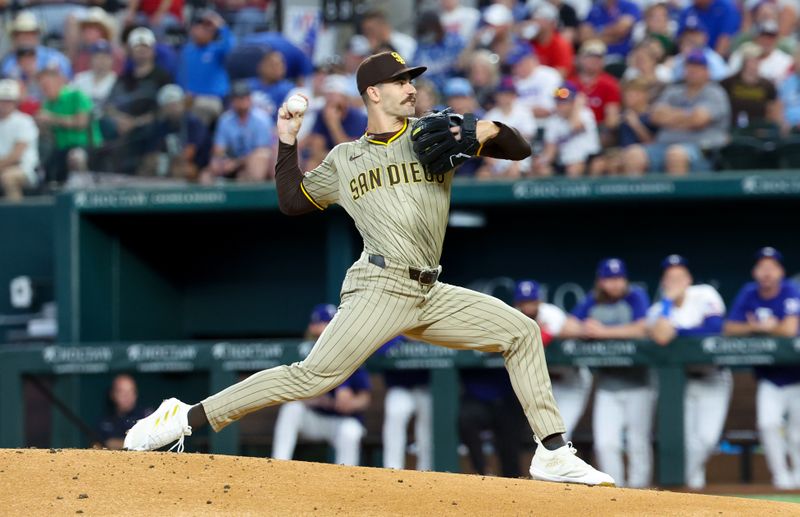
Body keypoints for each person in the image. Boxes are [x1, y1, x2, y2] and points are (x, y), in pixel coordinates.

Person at [123, 50, 614, 487]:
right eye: (401, 81)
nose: (411, 87)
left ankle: (552, 452)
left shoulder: (431, 133)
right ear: (373, 92)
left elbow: (519, 148)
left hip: (430, 289)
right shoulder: (344, 158)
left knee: (522, 331)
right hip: (379, 285)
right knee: (310, 377)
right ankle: (185, 417)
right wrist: (287, 142)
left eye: (412, 79)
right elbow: (293, 202)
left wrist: (478, 129)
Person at [561, 258, 653, 487]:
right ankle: (616, 493)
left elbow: (643, 329)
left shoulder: (635, 296)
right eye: (609, 279)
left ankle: (639, 493)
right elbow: (566, 327)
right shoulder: (592, 300)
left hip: (639, 382)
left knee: (637, 443)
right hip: (607, 382)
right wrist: (584, 329)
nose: (614, 284)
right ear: (601, 281)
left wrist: (603, 332)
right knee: (605, 443)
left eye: (618, 278)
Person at [646, 254, 730, 490]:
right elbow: (662, 336)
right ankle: (692, 491)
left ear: (689, 279)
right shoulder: (658, 308)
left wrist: (679, 332)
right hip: (681, 382)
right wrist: (667, 304)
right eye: (669, 277)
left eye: (679, 276)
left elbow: (714, 329)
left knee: (706, 440)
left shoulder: (705, 294)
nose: (675, 281)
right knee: (687, 442)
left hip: (713, 378)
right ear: (663, 281)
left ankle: (681, 489)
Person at [724, 247, 800, 490]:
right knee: (768, 424)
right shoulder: (749, 292)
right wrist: (759, 328)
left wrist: (762, 327)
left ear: (780, 271)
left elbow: (790, 329)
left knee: (797, 433)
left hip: (797, 375)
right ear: (755, 271)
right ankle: (781, 477)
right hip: (770, 376)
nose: (767, 273)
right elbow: (730, 328)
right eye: (762, 267)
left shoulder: (790, 289)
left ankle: (798, 475)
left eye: (772, 267)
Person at [272, 304, 372, 467]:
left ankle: (346, 480)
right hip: (314, 419)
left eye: (332, 323)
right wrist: (317, 399)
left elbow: (365, 397)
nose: (328, 328)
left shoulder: (352, 351)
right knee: (291, 409)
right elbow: (291, 392)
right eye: (324, 323)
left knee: (351, 432)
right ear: (313, 327)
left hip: (342, 421)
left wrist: (352, 403)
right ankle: (278, 465)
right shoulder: (304, 354)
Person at [622, 50, 730, 175]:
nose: (692, 71)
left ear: (707, 71)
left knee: (675, 154)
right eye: (689, 66)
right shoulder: (673, 91)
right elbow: (655, 116)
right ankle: (635, 195)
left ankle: (678, 195)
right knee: (633, 154)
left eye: (697, 67)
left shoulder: (714, 92)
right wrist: (687, 117)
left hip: (701, 149)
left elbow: (698, 120)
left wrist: (671, 117)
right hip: (663, 145)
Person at [515, 280, 591, 440]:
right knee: (544, 437)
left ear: (539, 301)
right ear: (517, 303)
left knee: (560, 436)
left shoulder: (551, 313)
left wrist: (527, 334)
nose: (528, 307)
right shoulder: (514, 315)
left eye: (532, 302)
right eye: (524, 302)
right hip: (544, 385)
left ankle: (564, 465)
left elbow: (540, 341)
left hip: (571, 381)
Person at [105, 27, 172, 175]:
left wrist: (135, 122)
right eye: (137, 47)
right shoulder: (123, 78)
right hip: (123, 129)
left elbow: (165, 109)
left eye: (145, 47)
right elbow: (109, 106)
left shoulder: (162, 77)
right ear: (130, 51)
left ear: (153, 50)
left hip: (150, 129)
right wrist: (121, 119)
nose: (141, 51)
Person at [37, 66, 101, 184]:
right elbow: (49, 134)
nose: (44, 88)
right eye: (42, 86)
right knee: (44, 164)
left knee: (75, 157)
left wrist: (52, 118)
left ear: (59, 81)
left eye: (47, 84)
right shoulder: (47, 104)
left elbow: (81, 122)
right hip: (61, 148)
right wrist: (42, 126)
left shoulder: (77, 95)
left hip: (86, 145)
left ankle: (85, 189)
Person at [459, 366, 526, 477]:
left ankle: (512, 479)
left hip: (507, 394)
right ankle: (481, 472)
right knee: (466, 419)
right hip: (475, 394)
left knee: (510, 445)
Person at [202, 81, 274, 183]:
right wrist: (223, 161)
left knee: (258, 159)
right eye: (238, 98)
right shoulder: (225, 120)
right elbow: (219, 149)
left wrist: (236, 163)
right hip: (232, 160)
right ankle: (214, 197)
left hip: (255, 161)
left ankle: (258, 196)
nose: (241, 102)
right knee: (207, 173)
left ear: (250, 99)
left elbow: (262, 149)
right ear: (232, 101)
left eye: (244, 98)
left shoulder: (261, 119)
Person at [379, 336, 432, 471]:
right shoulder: (393, 333)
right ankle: (392, 469)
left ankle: (427, 469)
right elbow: (380, 352)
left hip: (426, 387)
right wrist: (404, 340)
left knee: (430, 417)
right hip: (400, 387)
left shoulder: (431, 332)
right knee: (396, 413)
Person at [139, 84, 209, 179]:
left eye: (176, 104)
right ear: (163, 108)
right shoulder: (162, 126)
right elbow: (152, 150)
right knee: (149, 164)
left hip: (196, 164)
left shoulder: (193, 123)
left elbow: (189, 153)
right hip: (170, 160)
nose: (173, 108)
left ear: (182, 104)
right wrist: (156, 160)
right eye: (169, 105)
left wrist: (167, 161)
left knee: (179, 169)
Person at [534, 83, 601, 177]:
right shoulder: (553, 121)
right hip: (564, 162)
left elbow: (575, 126)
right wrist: (541, 162)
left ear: (573, 102)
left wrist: (578, 105)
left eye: (564, 102)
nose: (559, 105)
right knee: (541, 170)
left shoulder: (585, 113)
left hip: (588, 159)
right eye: (557, 102)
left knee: (575, 168)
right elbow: (550, 151)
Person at [304, 75, 367, 171]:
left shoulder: (358, 118)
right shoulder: (322, 115)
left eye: (334, 96)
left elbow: (351, 155)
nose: (331, 102)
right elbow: (316, 150)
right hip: (331, 160)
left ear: (345, 100)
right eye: (328, 97)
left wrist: (334, 125)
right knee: (312, 163)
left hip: (356, 164)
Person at [477, 77, 535, 180]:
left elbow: (525, 140)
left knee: (513, 171)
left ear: (514, 95)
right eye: (502, 94)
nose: (505, 97)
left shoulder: (524, 113)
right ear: (497, 96)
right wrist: (491, 163)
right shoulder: (490, 115)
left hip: (520, 158)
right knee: (483, 175)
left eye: (508, 94)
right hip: (497, 157)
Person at [721, 43, 782, 132]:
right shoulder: (728, 83)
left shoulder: (767, 85)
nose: (755, 63)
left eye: (758, 59)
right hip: (732, 128)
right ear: (744, 61)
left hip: (759, 130)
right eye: (752, 60)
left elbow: (774, 109)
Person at [569, 40, 621, 142]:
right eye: (590, 56)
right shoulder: (569, 83)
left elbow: (612, 119)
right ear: (580, 58)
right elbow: (559, 107)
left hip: (597, 132)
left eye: (599, 58)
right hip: (571, 128)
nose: (594, 61)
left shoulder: (610, 84)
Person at [178, 10, 234, 103]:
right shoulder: (186, 51)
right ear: (192, 30)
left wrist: (221, 26)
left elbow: (231, 47)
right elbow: (180, 75)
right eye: (200, 27)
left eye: (207, 28)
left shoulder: (217, 50)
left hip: (214, 97)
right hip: (190, 97)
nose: (203, 31)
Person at [1, 11, 72, 80]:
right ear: (15, 38)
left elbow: (66, 84)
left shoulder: (56, 58)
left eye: (31, 33)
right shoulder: (9, 62)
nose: (26, 38)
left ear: (37, 35)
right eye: (21, 34)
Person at [0, 79, 39, 201]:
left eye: (8, 101)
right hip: (2, 166)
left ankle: (16, 218)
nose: (5, 104)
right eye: (2, 100)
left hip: (23, 168)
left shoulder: (24, 121)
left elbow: (16, 155)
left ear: (15, 102)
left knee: (8, 177)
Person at [413, 11, 465, 93]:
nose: (429, 33)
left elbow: (462, 65)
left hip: (452, 87)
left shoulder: (454, 40)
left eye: (431, 29)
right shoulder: (421, 45)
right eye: (425, 30)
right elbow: (416, 71)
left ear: (438, 26)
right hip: (429, 91)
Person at [511, 44, 563, 124]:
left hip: (547, 125)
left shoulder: (549, 75)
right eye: (514, 64)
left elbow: (547, 110)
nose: (517, 67)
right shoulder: (512, 81)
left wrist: (520, 111)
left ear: (532, 59)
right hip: (521, 127)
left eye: (520, 63)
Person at [727, 21, 792, 84]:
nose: (766, 41)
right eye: (763, 37)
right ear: (755, 38)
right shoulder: (740, 55)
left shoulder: (786, 60)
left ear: (777, 39)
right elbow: (730, 80)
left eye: (771, 37)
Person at [96, 374, 149, 450]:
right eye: (122, 391)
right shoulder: (104, 420)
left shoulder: (147, 416)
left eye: (131, 391)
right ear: (112, 394)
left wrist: (113, 443)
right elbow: (95, 446)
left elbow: (148, 443)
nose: (127, 396)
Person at [579, 0, 641, 64]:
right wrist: (613, 37)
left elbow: (621, 29)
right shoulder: (595, 9)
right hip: (599, 57)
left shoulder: (629, 6)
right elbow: (583, 37)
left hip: (623, 57)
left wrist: (596, 33)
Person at [529, 2, 575, 77]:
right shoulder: (529, 42)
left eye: (540, 20)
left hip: (556, 85)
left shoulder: (561, 44)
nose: (536, 23)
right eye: (534, 20)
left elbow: (562, 74)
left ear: (552, 23)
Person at [248, 50, 295, 120]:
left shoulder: (289, 90)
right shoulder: (247, 86)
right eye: (273, 65)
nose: (278, 68)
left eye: (281, 64)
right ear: (261, 66)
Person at [71, 40, 118, 106]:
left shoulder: (117, 81)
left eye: (104, 57)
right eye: (97, 57)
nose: (101, 61)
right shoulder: (79, 79)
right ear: (90, 60)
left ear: (111, 60)